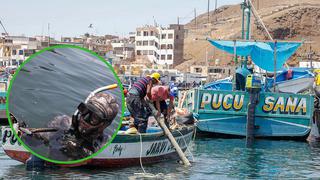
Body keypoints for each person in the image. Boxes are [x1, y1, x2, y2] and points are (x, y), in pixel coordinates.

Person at [21, 92, 119, 161]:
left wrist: (80, 152)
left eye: (94, 118)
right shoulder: (62, 123)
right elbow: (36, 142)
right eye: (85, 111)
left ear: (103, 125)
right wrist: (28, 135)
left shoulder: (105, 143)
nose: (85, 119)